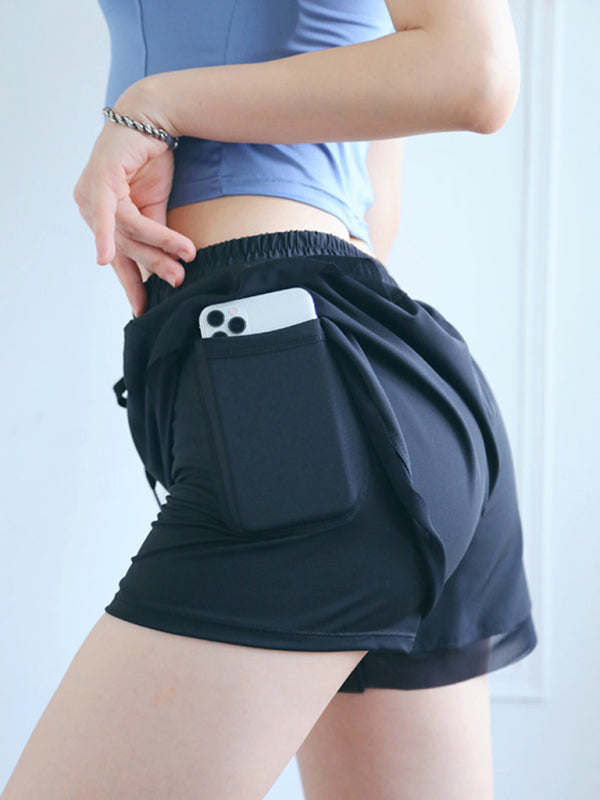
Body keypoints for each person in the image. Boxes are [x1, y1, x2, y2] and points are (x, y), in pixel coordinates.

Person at [1, 1, 537, 798]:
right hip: (388, 379)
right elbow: (374, 209)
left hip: (293, 383)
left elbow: (477, 72)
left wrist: (156, 104)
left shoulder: (160, 102)